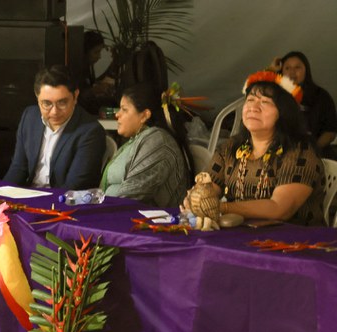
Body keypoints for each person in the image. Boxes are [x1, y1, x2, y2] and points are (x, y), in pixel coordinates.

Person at [193, 70, 324, 226]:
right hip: (240, 237)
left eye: (265, 102)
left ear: (284, 113)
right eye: (250, 100)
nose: (253, 107)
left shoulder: (300, 151)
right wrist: (197, 199)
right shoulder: (230, 148)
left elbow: (279, 209)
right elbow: (208, 188)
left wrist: (222, 207)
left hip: (294, 243)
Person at [3, 65, 106, 189]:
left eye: (62, 103)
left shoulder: (90, 131)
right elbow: (18, 168)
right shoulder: (30, 117)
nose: (54, 112)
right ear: (37, 97)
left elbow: (76, 185)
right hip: (28, 195)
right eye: (47, 103)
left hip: (63, 201)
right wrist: (2, 195)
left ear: (75, 97)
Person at [100, 82, 191, 208]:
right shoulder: (135, 140)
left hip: (146, 222)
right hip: (117, 212)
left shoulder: (158, 141)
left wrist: (99, 210)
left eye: (124, 109)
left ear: (144, 115)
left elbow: (132, 193)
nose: (117, 114)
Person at [271, 51, 337, 157]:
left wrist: (312, 150)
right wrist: (271, 70)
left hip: (316, 153)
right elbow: (254, 88)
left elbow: (330, 132)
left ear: (306, 70)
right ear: (281, 71)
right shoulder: (275, 95)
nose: (292, 72)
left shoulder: (321, 96)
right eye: (287, 68)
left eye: (297, 67)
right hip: (280, 154)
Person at [77, 30, 115, 116]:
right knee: (114, 112)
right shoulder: (77, 70)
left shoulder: (87, 67)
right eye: (96, 52)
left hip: (92, 108)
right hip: (85, 113)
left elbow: (92, 83)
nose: (99, 56)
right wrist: (95, 90)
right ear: (85, 52)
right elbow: (78, 98)